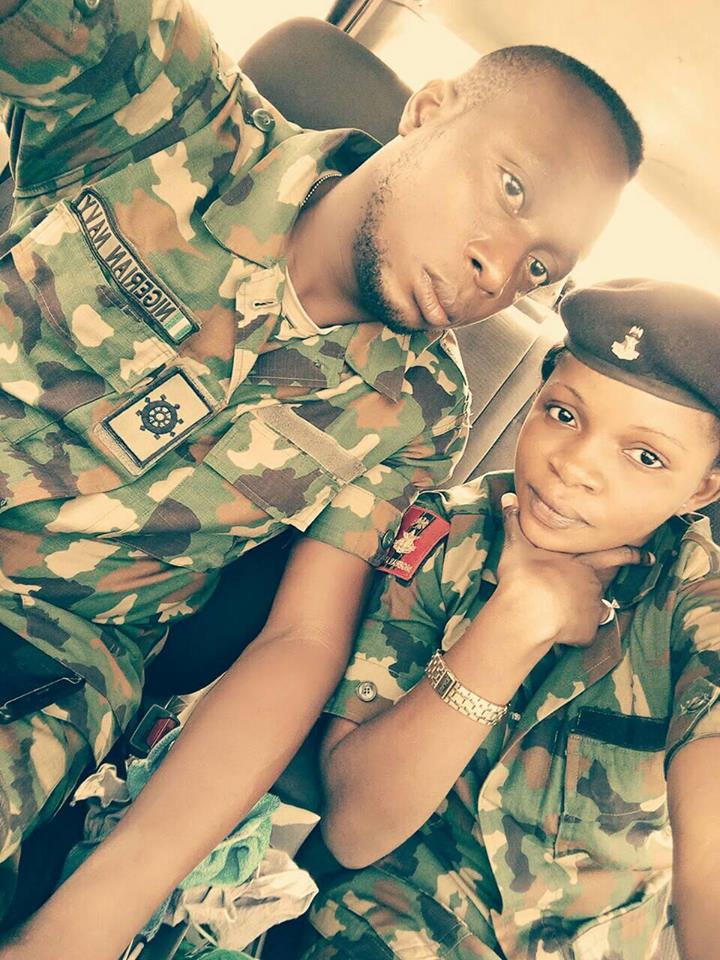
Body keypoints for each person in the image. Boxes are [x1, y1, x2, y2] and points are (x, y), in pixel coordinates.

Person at [0, 0, 641, 953]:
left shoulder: (420, 409)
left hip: (48, 653)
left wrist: (102, 907)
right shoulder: (165, 109)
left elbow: (300, 641)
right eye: (510, 189)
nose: (497, 269)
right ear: (429, 111)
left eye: (541, 268)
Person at [304, 279, 720, 960]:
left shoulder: (698, 603)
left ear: (702, 487)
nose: (573, 465)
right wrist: (516, 622)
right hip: (394, 928)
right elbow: (354, 829)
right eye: (562, 413)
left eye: (645, 456)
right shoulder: (448, 536)